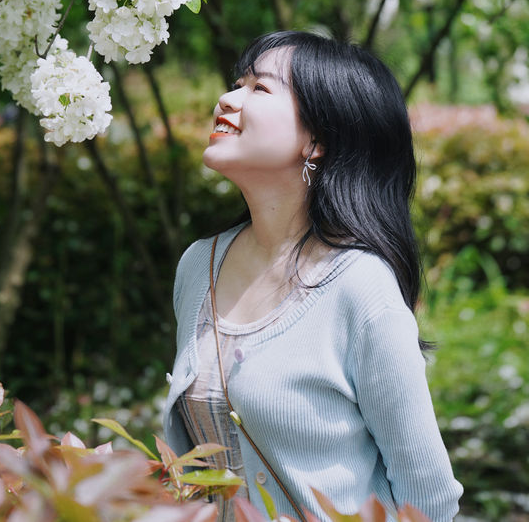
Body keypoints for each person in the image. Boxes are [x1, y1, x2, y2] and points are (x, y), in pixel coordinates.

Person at [163, 31, 463, 522]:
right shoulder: (199, 266)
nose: (228, 98)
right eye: (237, 83)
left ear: (317, 141)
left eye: (259, 89)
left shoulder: (359, 288)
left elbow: (428, 498)